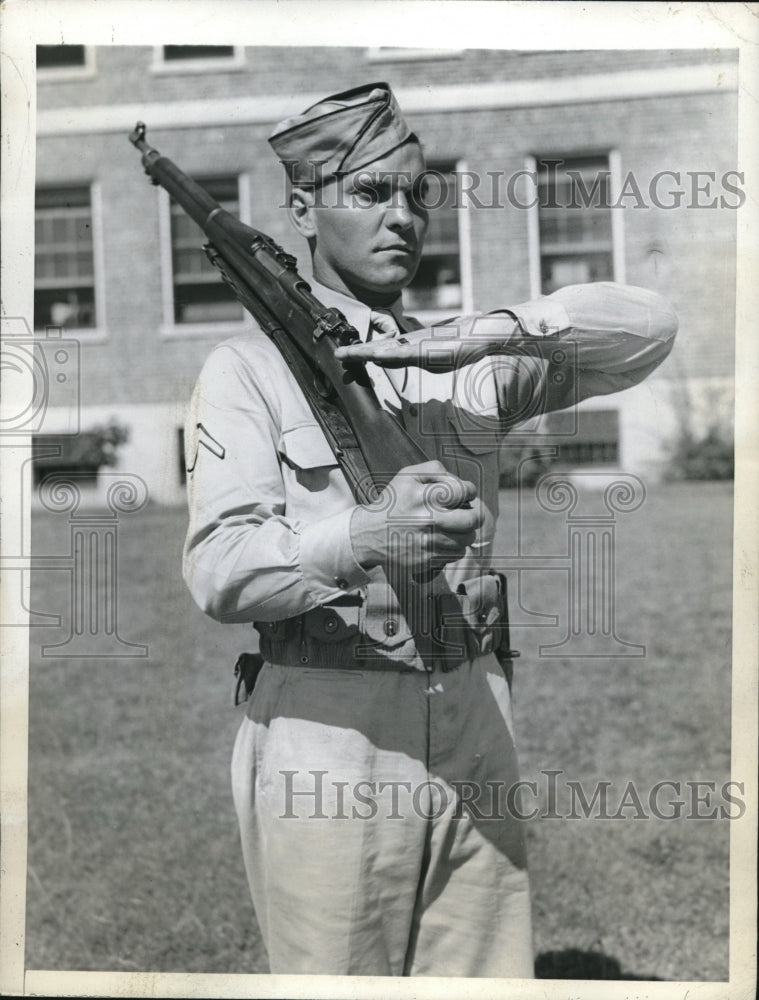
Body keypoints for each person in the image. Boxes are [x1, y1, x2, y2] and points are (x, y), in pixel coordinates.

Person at [182, 82, 677, 977]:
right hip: (332, 730)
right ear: (302, 209)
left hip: (474, 710)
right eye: (372, 193)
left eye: (418, 195)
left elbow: (649, 329)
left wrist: (486, 332)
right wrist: (365, 536)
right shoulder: (247, 370)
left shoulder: (469, 363)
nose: (404, 217)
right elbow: (218, 570)